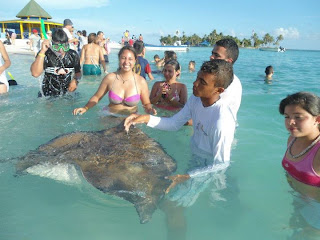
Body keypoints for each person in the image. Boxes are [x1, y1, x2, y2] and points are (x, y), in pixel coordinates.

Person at [124, 59, 236, 192]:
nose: (195, 84)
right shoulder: (196, 99)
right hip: (194, 158)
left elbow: (221, 164)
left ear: (219, 90)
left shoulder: (222, 120)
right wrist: (144, 118)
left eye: (202, 82)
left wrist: (187, 176)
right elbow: (174, 123)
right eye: (197, 78)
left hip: (209, 169)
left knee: (175, 203)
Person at [73, 46, 156, 116]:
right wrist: (85, 108)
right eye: (123, 58)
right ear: (119, 59)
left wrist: (150, 110)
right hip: (110, 116)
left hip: (131, 119)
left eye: (130, 59)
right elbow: (97, 97)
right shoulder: (110, 78)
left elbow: (146, 104)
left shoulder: (141, 81)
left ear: (135, 61)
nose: (126, 62)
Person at [279, 92, 320, 187]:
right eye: (287, 116)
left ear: (317, 119)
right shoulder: (292, 139)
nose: (290, 122)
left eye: (298, 117)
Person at [30, 28, 81, 97]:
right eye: (56, 47)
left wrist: (75, 81)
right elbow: (35, 74)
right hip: (47, 95)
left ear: (68, 44)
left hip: (67, 93)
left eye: (64, 46)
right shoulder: (46, 54)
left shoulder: (73, 54)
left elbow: (78, 72)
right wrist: (42, 51)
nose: (61, 50)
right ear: (52, 44)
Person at [210, 38, 242, 120]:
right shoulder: (212, 77)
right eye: (212, 53)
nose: (211, 57)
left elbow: (213, 113)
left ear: (229, 61)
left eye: (216, 55)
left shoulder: (232, 84)